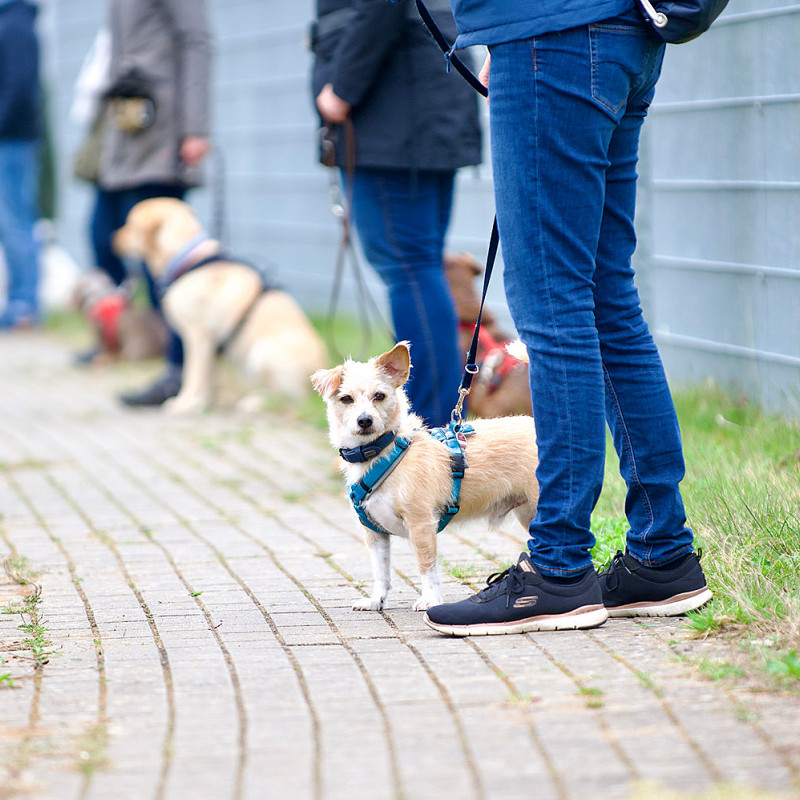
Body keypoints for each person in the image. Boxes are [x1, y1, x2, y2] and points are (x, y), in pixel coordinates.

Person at [423, 1, 712, 635]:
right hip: (617, 35)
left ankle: (557, 569)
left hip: (552, 34)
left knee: (555, 304)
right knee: (607, 298)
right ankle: (662, 557)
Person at [312, 0, 481, 427]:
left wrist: (343, 87)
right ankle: (437, 424)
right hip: (419, 101)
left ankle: (428, 428)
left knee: (410, 268)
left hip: (394, 109)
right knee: (419, 267)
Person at [98, 0, 212, 404]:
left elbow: (196, 41)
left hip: (163, 128)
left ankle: (180, 371)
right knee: (144, 259)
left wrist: (195, 127)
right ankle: (174, 366)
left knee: (172, 261)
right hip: (131, 126)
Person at [0, 0, 41, 330]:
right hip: (9, 138)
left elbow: (19, 86)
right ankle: (19, 302)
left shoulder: (15, 22)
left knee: (15, 220)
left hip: (11, 139)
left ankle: (24, 306)